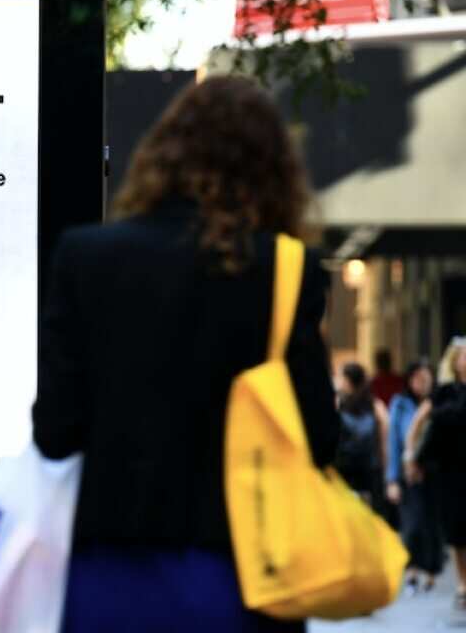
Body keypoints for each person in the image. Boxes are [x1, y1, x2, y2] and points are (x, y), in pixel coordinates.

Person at [33, 76, 339, 633]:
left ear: (161, 155)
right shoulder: (285, 271)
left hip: (109, 576)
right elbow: (318, 437)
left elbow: (54, 431)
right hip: (242, 579)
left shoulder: (86, 258)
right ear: (273, 170)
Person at [410, 338, 466, 610]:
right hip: (452, 470)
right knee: (456, 530)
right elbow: (420, 421)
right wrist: (411, 456)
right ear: (455, 361)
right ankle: (463, 583)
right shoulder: (444, 393)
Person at [386, 359, 442, 593]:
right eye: (418, 379)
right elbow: (393, 443)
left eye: (426, 378)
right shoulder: (400, 404)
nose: (422, 383)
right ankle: (411, 571)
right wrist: (392, 479)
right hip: (408, 474)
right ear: (410, 380)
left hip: (435, 472)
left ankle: (431, 572)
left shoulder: (439, 403)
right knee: (412, 525)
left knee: (433, 525)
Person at [334, 363, 388, 509]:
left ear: (347, 380)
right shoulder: (376, 405)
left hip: (344, 469)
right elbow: (384, 440)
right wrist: (386, 469)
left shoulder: (338, 404)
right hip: (370, 469)